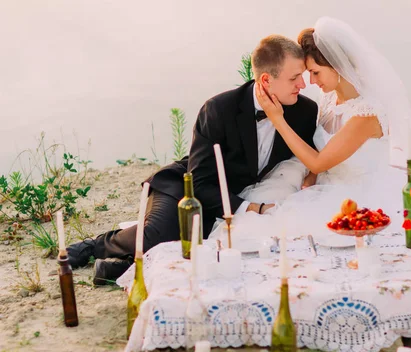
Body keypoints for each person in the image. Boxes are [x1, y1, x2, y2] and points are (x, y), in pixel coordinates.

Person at [66, 35, 318, 284]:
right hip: (187, 186)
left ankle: (117, 269)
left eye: (303, 76)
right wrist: (254, 208)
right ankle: (95, 246)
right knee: (157, 236)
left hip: (230, 194)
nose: (303, 85)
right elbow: (200, 182)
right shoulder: (219, 109)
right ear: (266, 79)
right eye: (295, 78)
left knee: (200, 246)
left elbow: (309, 156)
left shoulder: (305, 111)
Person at [208, 17, 411, 244]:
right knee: (260, 225)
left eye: (315, 72)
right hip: (323, 185)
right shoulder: (329, 98)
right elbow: (320, 148)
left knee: (296, 230)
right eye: (307, 73)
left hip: (357, 190)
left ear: (337, 66)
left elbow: (320, 162)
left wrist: (277, 119)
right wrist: (310, 178)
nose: (310, 81)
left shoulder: (366, 113)